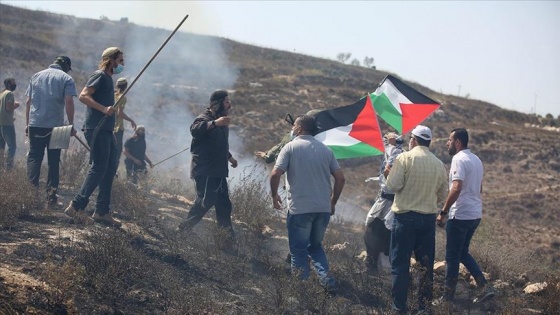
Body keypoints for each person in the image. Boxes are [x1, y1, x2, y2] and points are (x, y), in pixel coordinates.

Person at [269, 114, 345, 293]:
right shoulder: (326, 150)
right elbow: (341, 179)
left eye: (294, 125)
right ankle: (327, 283)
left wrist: (274, 195)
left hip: (300, 209)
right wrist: (332, 202)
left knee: (298, 250)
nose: (292, 128)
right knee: (316, 247)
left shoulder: (290, 147)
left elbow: (274, 174)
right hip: (323, 209)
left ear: (299, 129)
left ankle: (301, 290)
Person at [386, 125, 448, 314]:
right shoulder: (439, 164)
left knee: (400, 264)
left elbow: (393, 185)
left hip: (405, 219)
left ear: (413, 140)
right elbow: (441, 195)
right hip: (427, 221)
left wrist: (387, 172)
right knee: (425, 266)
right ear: (428, 142)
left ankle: (399, 307)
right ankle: (424, 308)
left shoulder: (404, 158)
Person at [434, 128, 495, 305]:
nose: (447, 143)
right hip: (475, 214)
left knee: (452, 257)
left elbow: (457, 187)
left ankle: (447, 299)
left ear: (458, 142)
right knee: (462, 253)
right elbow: (480, 188)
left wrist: (443, 212)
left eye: (449, 140)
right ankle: (485, 286)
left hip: (460, 215)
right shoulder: (476, 159)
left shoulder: (458, 159)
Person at [65, 47, 124, 227]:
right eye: (120, 60)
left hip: (106, 130)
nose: (122, 64)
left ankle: (102, 211)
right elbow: (83, 96)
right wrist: (103, 109)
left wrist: (111, 130)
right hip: (95, 128)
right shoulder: (99, 76)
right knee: (99, 166)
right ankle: (76, 205)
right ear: (110, 60)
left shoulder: (108, 80)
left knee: (110, 167)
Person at [177, 90, 238, 238]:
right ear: (216, 104)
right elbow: (195, 130)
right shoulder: (204, 118)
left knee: (224, 204)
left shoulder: (221, 121)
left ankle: (226, 237)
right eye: (226, 101)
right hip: (205, 170)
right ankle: (184, 228)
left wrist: (230, 158)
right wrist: (215, 124)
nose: (229, 105)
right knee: (205, 200)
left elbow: (219, 144)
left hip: (218, 171)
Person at [25, 56, 77, 208]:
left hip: (36, 123)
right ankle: (51, 198)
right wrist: (71, 125)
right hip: (57, 126)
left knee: (34, 158)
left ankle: (30, 196)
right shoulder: (67, 78)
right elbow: (69, 101)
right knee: (54, 161)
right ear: (66, 66)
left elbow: (28, 102)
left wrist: (28, 124)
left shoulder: (36, 75)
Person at [363, 132, 403, 274]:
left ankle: (374, 267)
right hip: (388, 199)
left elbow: (389, 171)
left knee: (373, 230)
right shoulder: (392, 152)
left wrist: (392, 144)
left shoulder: (397, 153)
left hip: (390, 200)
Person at [113, 77, 136, 169]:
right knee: (117, 153)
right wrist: (131, 120)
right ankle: (113, 174)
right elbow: (120, 113)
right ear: (126, 86)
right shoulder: (122, 97)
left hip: (109, 127)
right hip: (118, 128)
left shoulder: (113, 94)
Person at [0, 78, 20, 170]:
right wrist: (16, 105)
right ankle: (8, 169)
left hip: (1, 124)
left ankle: (1, 167)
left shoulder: (1, 93)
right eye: (13, 83)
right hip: (7, 125)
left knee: (1, 146)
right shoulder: (9, 93)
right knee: (12, 146)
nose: (15, 84)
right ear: (8, 84)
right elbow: (8, 108)